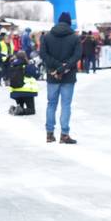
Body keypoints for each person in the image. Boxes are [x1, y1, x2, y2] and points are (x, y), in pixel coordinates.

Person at [39, 12, 82, 144]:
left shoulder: (46, 37)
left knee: (51, 104)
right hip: (68, 76)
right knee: (66, 105)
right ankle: (64, 134)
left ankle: (49, 133)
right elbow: (77, 56)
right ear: (69, 22)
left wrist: (56, 67)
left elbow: (43, 55)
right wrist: (63, 67)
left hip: (52, 75)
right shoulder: (75, 38)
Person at [7, 50, 39, 115]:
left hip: (15, 91)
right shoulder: (27, 66)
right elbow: (37, 75)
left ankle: (14, 108)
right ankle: (17, 110)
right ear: (25, 57)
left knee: (20, 108)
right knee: (31, 110)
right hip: (27, 91)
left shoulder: (12, 66)